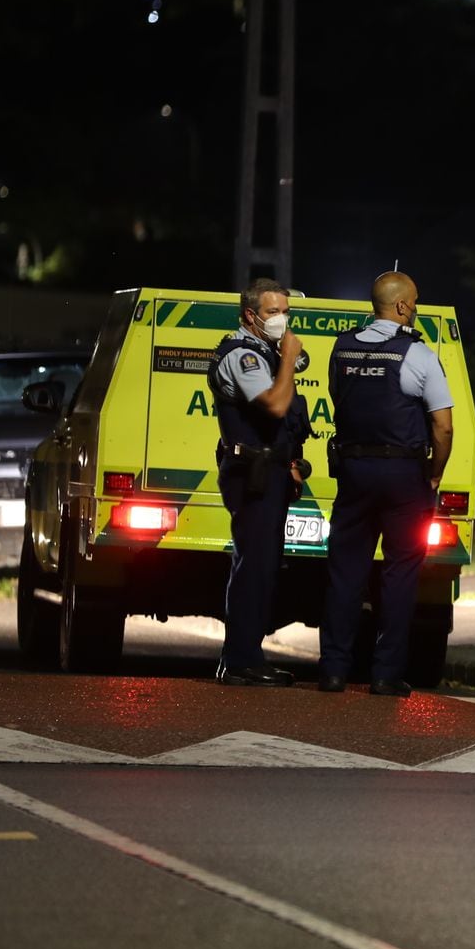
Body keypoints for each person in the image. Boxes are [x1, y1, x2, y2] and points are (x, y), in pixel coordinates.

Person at [318, 271, 455, 696]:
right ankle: (385, 674)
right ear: (400, 307)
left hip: (355, 472)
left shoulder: (341, 348)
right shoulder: (418, 354)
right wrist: (435, 472)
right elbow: (443, 428)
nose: (415, 309)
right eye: (414, 302)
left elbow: (340, 399)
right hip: (404, 477)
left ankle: (333, 671)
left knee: (345, 572)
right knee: (399, 574)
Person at [208, 277, 312, 687]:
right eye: (273, 312)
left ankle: (244, 655)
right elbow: (274, 404)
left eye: (286, 312)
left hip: (269, 471)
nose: (282, 319)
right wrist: (287, 358)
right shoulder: (244, 357)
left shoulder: (262, 352)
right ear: (251, 315)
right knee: (254, 566)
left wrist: (289, 463)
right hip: (250, 476)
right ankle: (240, 660)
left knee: (262, 566)